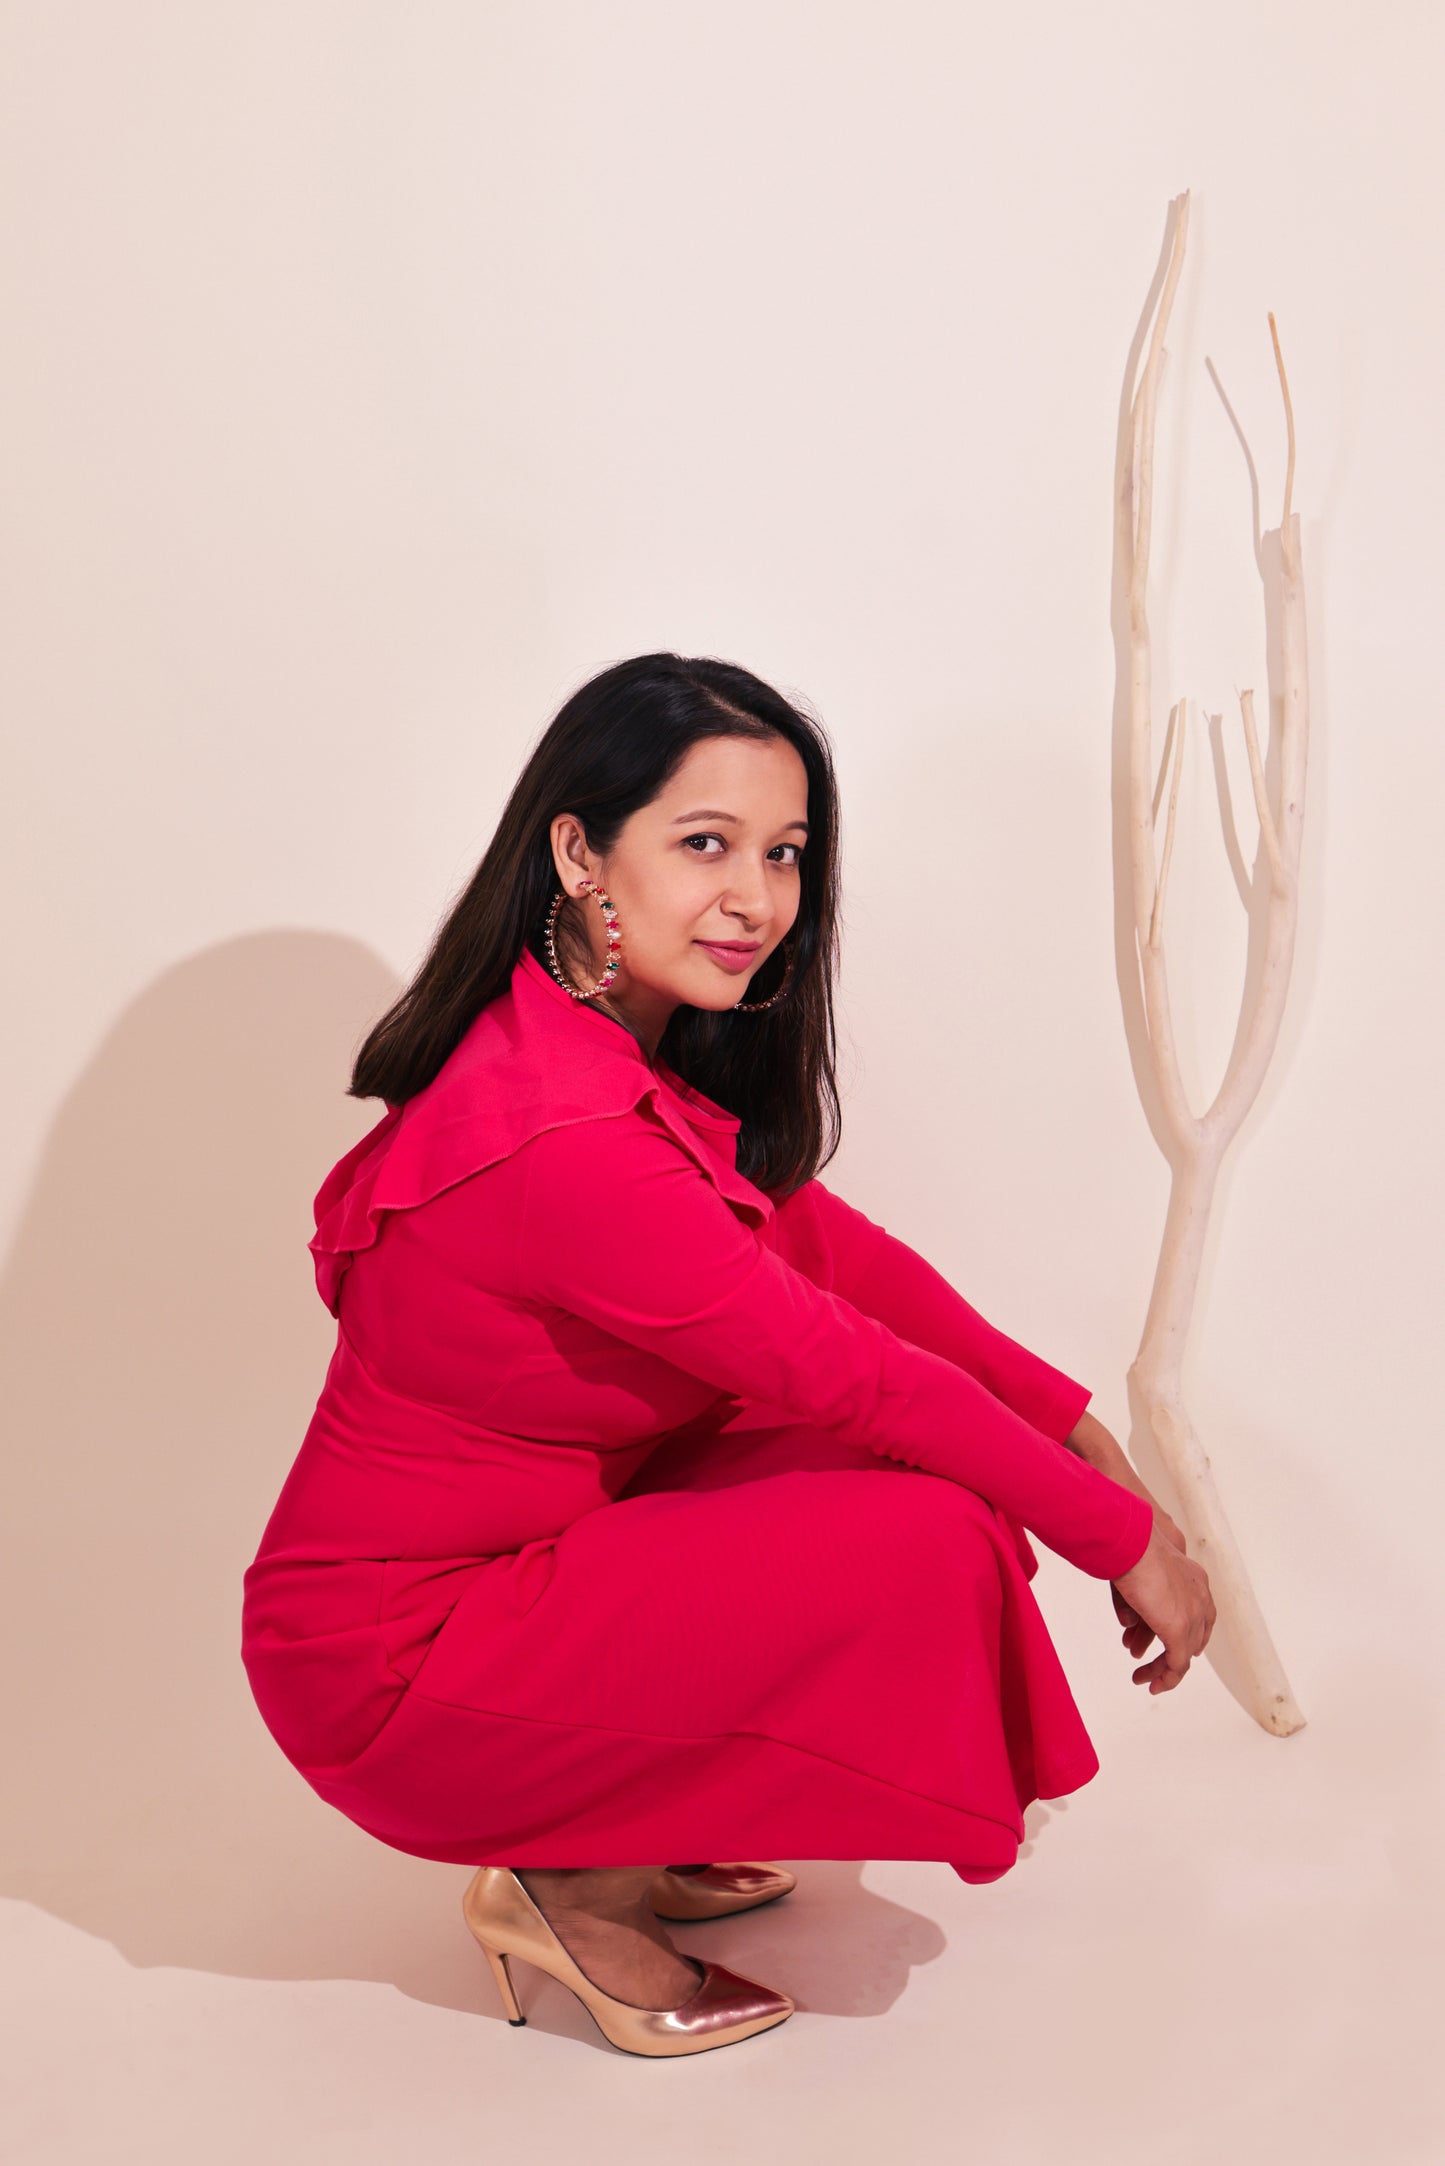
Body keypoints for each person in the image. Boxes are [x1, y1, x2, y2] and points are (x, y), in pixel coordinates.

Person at [240, 652, 1215, 2059]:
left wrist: (1073, 1431)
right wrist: (1120, 1535)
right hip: (398, 1668)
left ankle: (627, 1808)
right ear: (579, 852)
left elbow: (849, 1265)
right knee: (924, 1524)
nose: (757, 898)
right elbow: (853, 1370)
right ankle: (568, 1881)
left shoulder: (588, 1046)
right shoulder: (566, 1142)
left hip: (508, 1573)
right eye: (705, 844)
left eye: (784, 852)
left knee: (906, 1470)